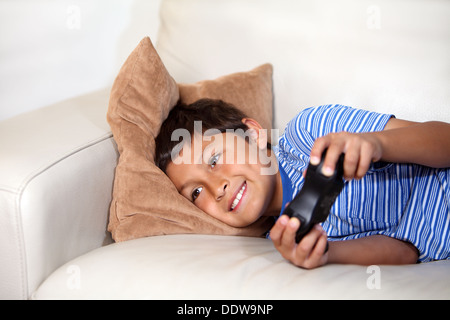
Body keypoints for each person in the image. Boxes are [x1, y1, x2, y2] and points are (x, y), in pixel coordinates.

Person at [155, 98, 450, 269]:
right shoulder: (282, 239)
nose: (215, 187)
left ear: (254, 135)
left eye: (215, 159)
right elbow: (406, 252)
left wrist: (377, 143)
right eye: (195, 192)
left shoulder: (309, 133)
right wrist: (327, 254)